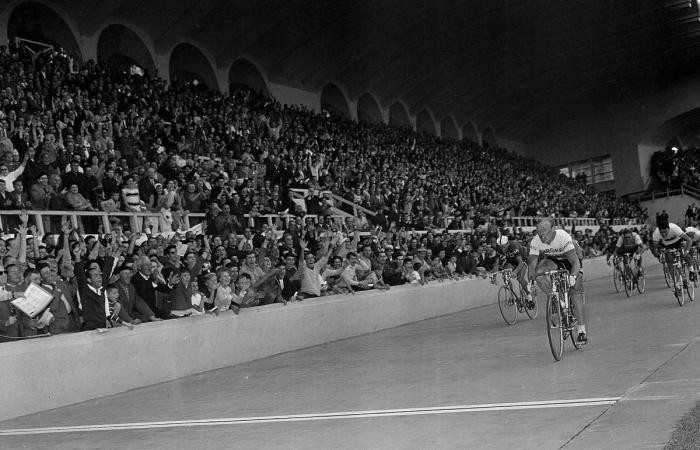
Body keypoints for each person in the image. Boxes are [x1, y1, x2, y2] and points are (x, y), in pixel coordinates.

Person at [527, 218, 587, 344]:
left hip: (571, 258)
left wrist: (573, 277)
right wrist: (530, 282)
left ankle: (582, 330)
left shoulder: (563, 237)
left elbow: (575, 262)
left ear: (553, 229)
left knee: (574, 292)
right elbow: (532, 265)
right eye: (539, 231)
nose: (542, 234)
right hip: (553, 260)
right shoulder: (536, 240)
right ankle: (556, 299)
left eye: (544, 231)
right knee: (538, 274)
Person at [492, 234, 533, 306]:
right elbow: (496, 263)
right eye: (500, 247)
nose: (502, 249)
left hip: (522, 260)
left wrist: (515, 272)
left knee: (520, 278)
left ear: (507, 244)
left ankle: (529, 295)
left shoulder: (514, 246)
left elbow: (520, 263)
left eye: (504, 247)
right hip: (510, 261)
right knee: (505, 274)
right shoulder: (498, 248)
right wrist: (494, 276)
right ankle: (512, 296)